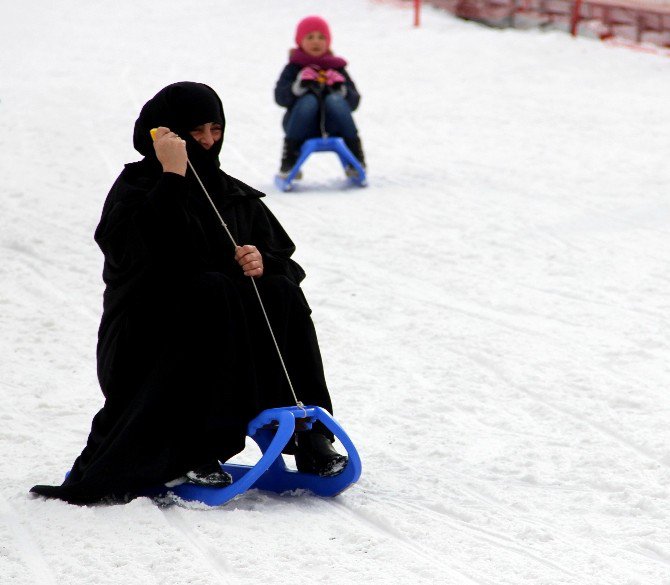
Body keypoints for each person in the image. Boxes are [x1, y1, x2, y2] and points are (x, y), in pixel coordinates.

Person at [30, 81, 347, 505]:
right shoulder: (137, 188)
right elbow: (139, 257)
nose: (208, 140)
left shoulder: (229, 191)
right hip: (148, 339)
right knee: (209, 290)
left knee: (279, 289)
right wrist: (173, 174)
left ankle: (306, 432)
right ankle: (196, 447)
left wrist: (264, 260)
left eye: (215, 129)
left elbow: (286, 260)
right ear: (165, 133)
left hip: (232, 336)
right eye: (195, 131)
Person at [274, 15, 365, 178]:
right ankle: (289, 159)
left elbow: (354, 102)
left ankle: (355, 155)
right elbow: (280, 97)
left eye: (321, 37)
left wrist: (341, 89)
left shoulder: (337, 68)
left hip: (334, 126)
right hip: (302, 127)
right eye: (310, 37)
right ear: (300, 41)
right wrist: (299, 87)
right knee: (309, 100)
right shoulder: (294, 67)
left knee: (334, 100)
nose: (316, 42)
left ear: (328, 41)